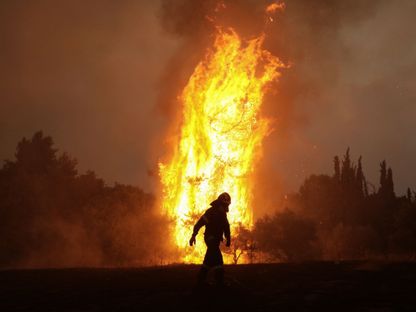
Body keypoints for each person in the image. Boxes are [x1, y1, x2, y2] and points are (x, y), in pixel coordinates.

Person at [189, 192, 231, 286]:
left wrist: (228, 239)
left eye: (226, 205)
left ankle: (201, 279)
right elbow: (199, 224)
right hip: (209, 238)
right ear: (219, 203)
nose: (225, 207)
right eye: (224, 205)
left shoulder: (223, 214)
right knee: (218, 258)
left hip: (216, 240)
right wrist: (193, 235)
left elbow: (226, 227)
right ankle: (219, 281)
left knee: (209, 260)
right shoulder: (210, 213)